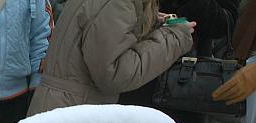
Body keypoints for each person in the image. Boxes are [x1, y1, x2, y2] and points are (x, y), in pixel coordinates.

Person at [27, 0, 194, 115]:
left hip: (66, 109)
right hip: (71, 114)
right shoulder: (115, 3)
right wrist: (173, 37)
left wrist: (148, 24)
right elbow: (114, 74)